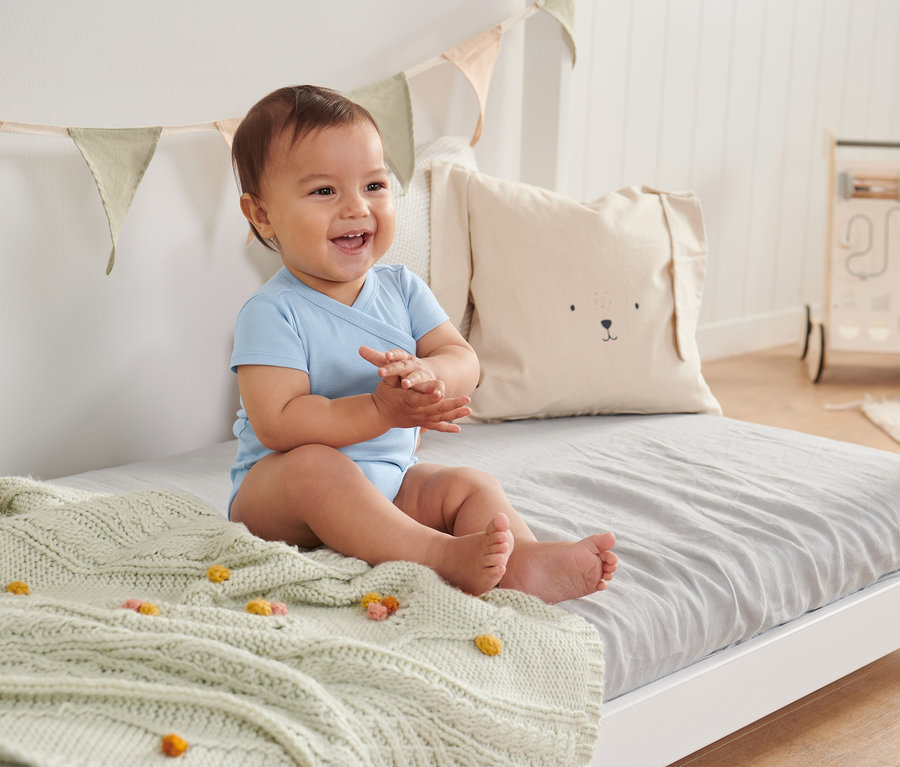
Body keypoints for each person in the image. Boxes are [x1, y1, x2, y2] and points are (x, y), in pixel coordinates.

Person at [227, 85, 617, 603]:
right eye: (324, 191)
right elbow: (278, 424)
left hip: (389, 485)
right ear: (261, 215)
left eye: (373, 185)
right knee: (315, 468)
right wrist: (379, 410)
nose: (356, 207)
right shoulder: (272, 311)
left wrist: (432, 374)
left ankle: (523, 564)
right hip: (280, 499)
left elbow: (463, 360)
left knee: (469, 486)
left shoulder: (402, 288)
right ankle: (440, 556)